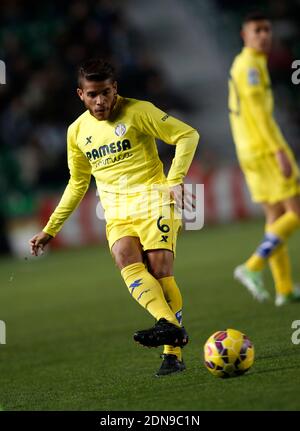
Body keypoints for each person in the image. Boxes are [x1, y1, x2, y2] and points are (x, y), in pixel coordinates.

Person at [29, 58, 199, 376]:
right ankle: (172, 327)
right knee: (124, 256)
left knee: (160, 269)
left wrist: (175, 180)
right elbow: (78, 184)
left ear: (114, 89)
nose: (100, 101)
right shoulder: (77, 132)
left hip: (154, 201)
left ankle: (172, 353)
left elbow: (187, 135)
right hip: (117, 211)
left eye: (105, 92)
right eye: (92, 94)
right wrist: (50, 229)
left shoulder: (139, 111)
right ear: (80, 94)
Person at [229, 12, 300, 306]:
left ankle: (283, 288)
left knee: (275, 217)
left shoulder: (243, 63)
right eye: (257, 30)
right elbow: (260, 115)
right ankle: (253, 265)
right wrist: (279, 151)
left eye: (267, 30)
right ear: (244, 35)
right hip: (264, 149)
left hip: (248, 150)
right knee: (296, 212)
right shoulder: (251, 68)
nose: (264, 35)